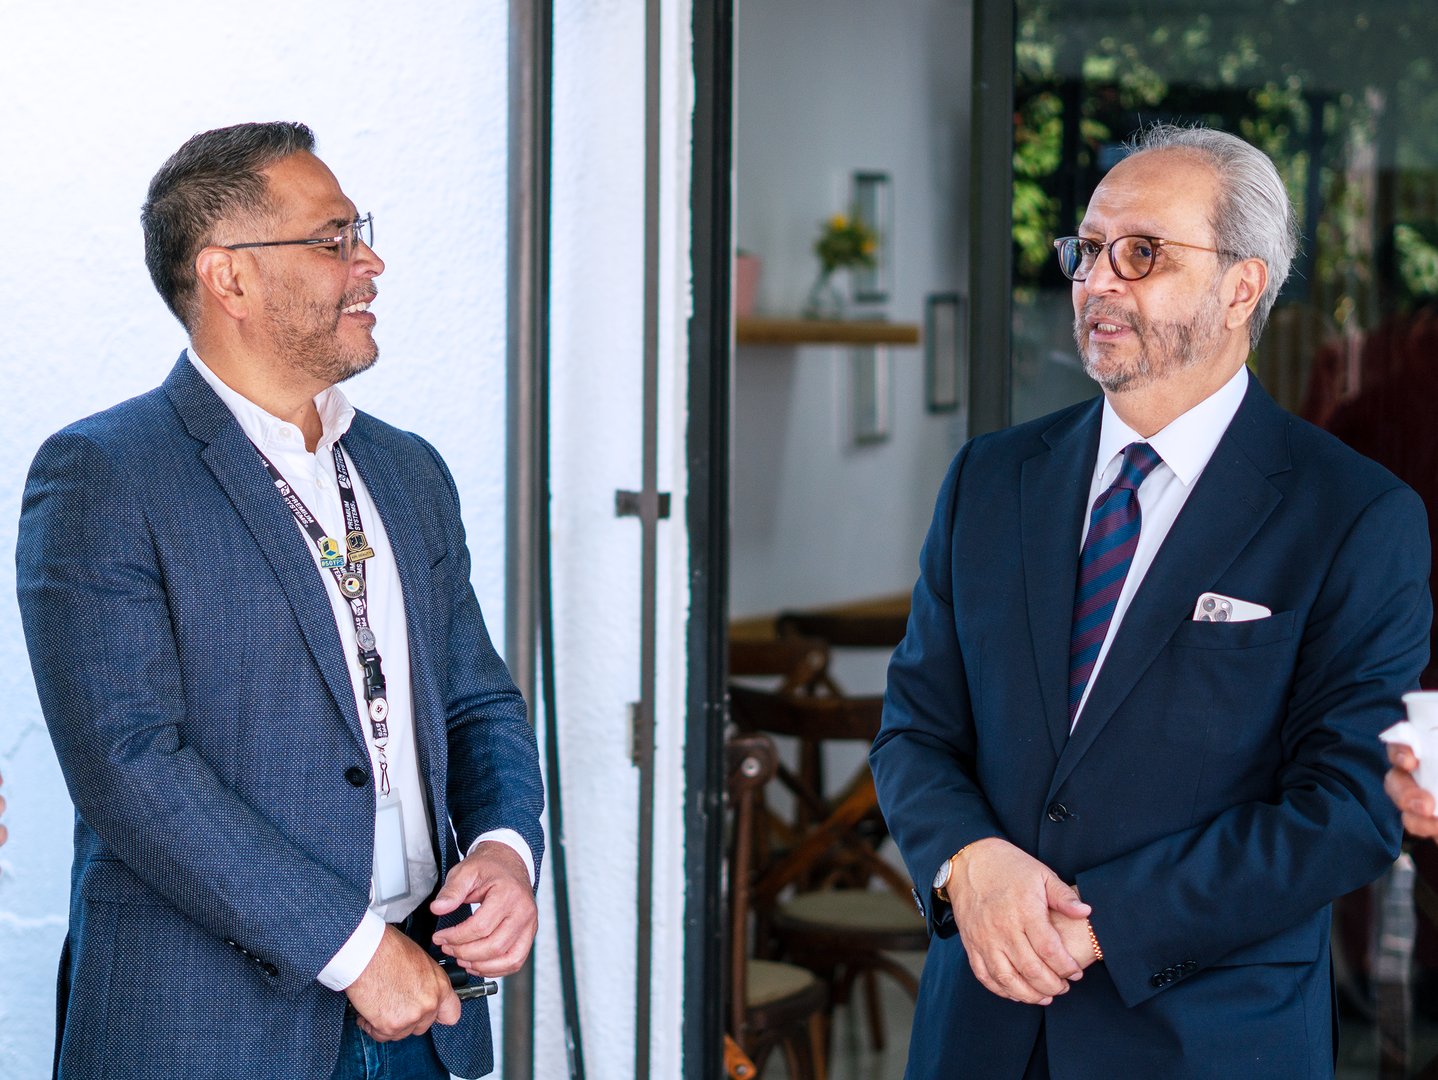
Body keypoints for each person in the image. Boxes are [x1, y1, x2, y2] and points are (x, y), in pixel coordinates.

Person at [871, 123, 1430, 1079]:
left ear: (1242, 285)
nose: (1096, 282)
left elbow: (1348, 807)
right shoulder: (989, 480)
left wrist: (1098, 926)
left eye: (1141, 253)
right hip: (980, 1030)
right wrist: (970, 860)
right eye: (1087, 251)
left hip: (1206, 1041)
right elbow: (915, 730)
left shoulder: (1354, 514)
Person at [16, 122, 545, 1080]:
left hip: (428, 1020)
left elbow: (476, 703)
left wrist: (508, 850)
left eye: (361, 232)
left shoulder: (408, 471)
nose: (370, 261)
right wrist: (356, 951)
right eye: (334, 238)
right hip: (207, 1032)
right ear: (230, 277)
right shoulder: (103, 473)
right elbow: (131, 768)